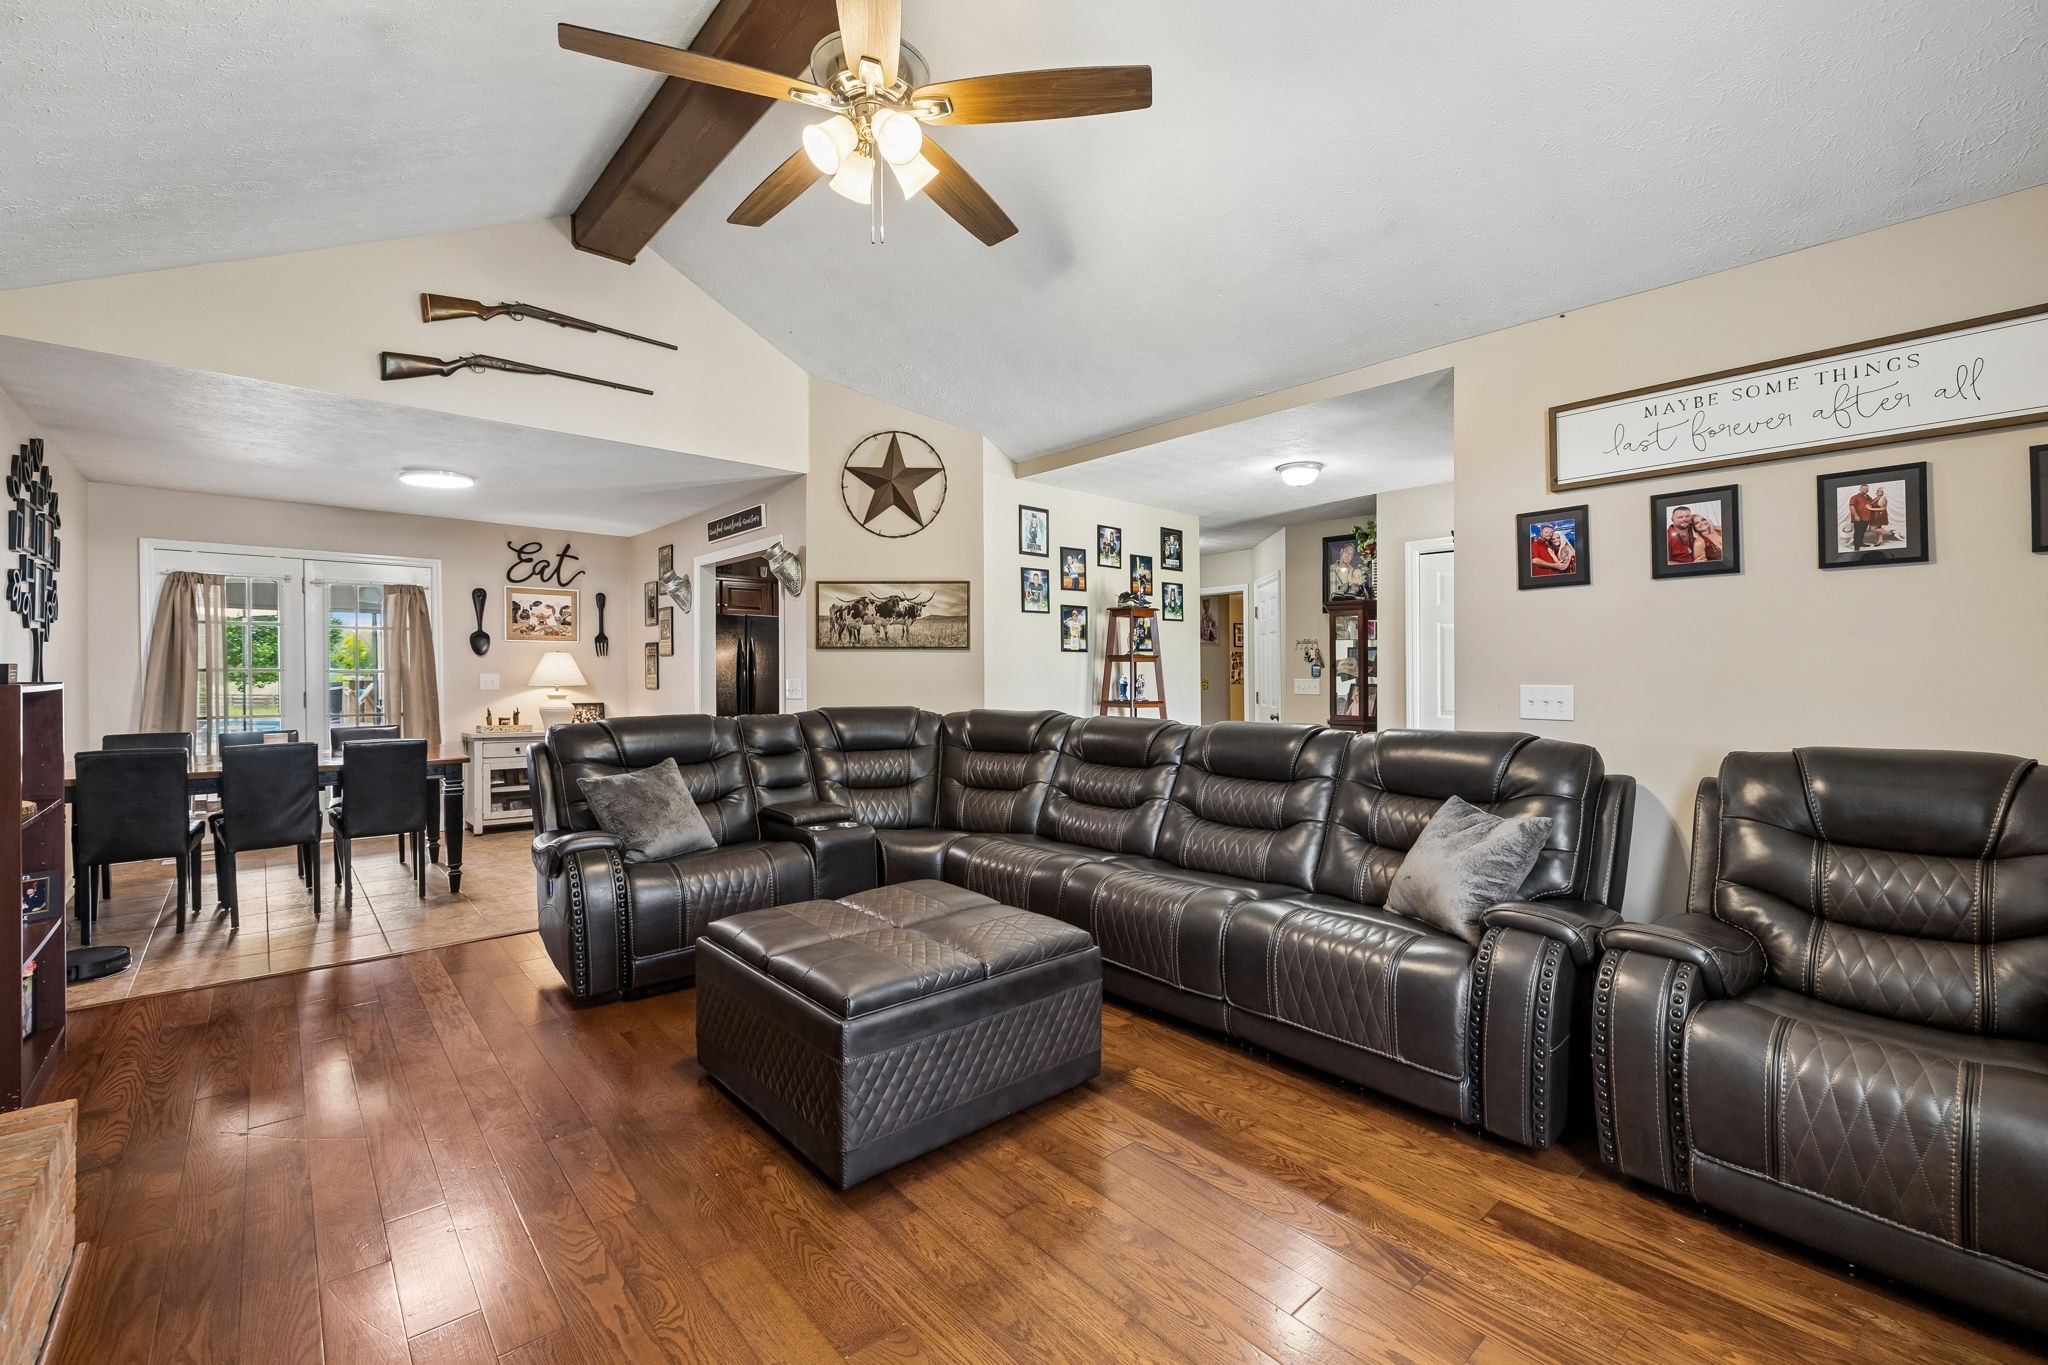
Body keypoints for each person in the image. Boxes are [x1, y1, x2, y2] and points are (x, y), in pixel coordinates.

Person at [1847, 485, 1874, 550]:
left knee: (1862, 532)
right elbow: (1851, 506)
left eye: (1867, 488)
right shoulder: (1855, 497)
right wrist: (1856, 515)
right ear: (1860, 489)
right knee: (1858, 532)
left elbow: (1873, 505)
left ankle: (1861, 543)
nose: (1866, 489)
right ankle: (1856, 547)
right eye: (1864, 488)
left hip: (1867, 518)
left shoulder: (1869, 498)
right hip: (1859, 518)